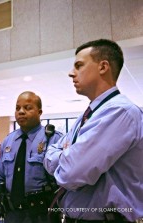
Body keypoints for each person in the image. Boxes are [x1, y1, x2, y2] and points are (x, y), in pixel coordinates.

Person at [43, 39, 143, 223]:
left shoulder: (120, 112)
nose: (71, 73)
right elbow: (49, 154)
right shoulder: (88, 115)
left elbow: (71, 173)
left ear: (103, 66)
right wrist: (67, 155)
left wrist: (66, 154)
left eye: (79, 65)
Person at [0, 91, 63, 223]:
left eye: (27, 108)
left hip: (43, 215)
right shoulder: (8, 141)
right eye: (17, 108)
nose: (21, 112)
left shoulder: (54, 139)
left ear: (39, 112)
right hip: (12, 214)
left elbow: (64, 179)